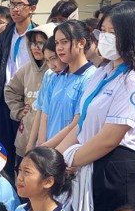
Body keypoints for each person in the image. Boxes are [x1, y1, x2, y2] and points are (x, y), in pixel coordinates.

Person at [57, 2, 135, 211]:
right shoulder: (101, 73)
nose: (104, 38)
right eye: (102, 31)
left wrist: (68, 161)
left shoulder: (133, 79)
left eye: (112, 33)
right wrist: (54, 158)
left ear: (131, 35)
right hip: (90, 162)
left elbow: (109, 139)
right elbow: (81, 125)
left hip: (116, 171)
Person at [0, 0, 38, 175]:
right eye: (12, 4)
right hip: (6, 102)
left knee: (27, 154)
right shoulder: (4, 37)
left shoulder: (39, 36)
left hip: (30, 102)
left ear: (32, 8)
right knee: (3, 153)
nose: (14, 9)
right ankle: (7, 195)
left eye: (20, 4)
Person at [38, 20, 97, 151]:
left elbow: (77, 123)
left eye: (64, 42)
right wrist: (41, 145)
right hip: (46, 152)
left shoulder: (91, 77)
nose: (59, 48)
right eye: (57, 43)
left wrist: (48, 148)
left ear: (81, 43)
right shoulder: (56, 77)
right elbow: (45, 114)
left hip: (67, 154)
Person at [5, 23, 55, 163]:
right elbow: (10, 91)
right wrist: (19, 110)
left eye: (41, 43)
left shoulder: (55, 72)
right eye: (32, 43)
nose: (35, 47)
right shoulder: (26, 69)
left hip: (47, 141)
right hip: (25, 137)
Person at [27, 38, 68, 150]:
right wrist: (31, 146)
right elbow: (41, 112)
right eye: (47, 61)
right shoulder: (50, 75)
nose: (51, 66)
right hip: (45, 145)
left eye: (54, 58)